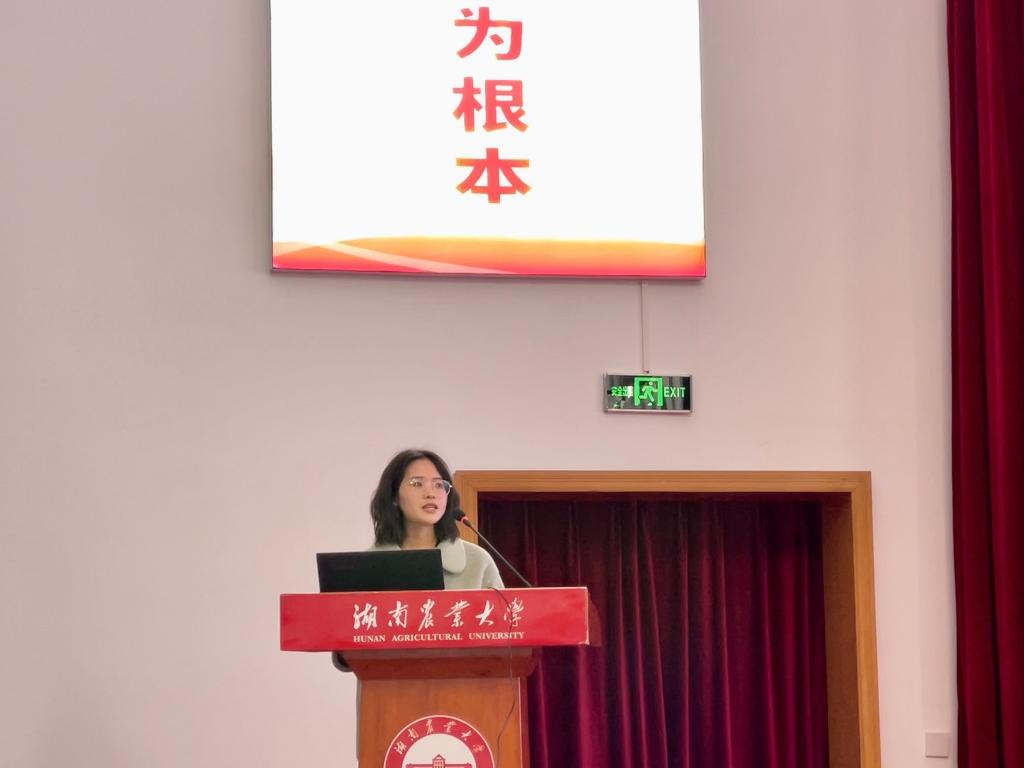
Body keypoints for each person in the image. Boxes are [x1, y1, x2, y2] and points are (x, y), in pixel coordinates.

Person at [368, 448, 504, 590]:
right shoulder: (369, 565)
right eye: (417, 484)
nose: (430, 494)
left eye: (439, 485)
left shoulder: (478, 561)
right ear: (394, 496)